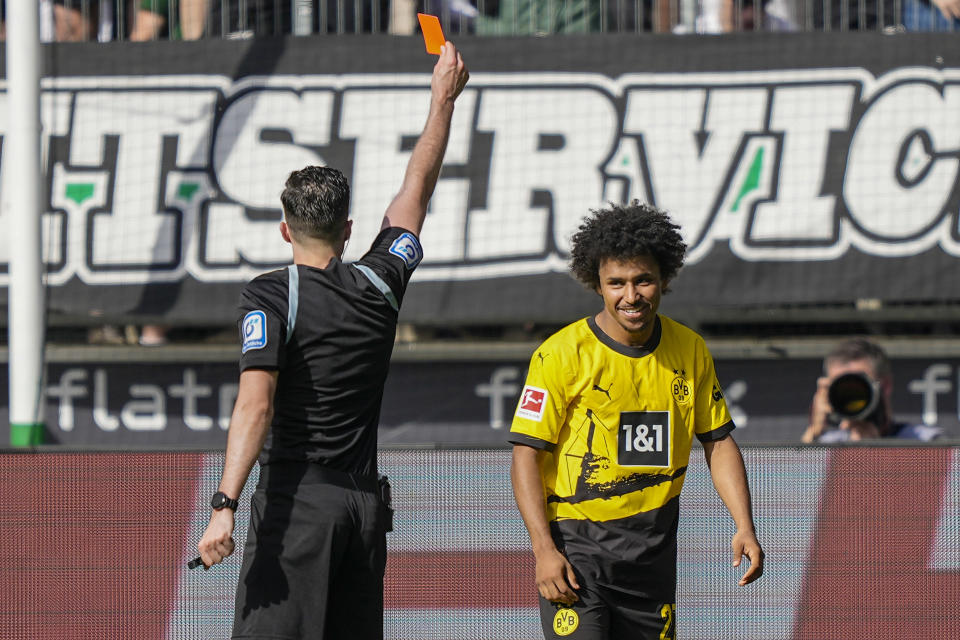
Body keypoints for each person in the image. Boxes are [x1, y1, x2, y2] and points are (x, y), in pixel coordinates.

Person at [196, 42, 469, 639]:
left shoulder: (272, 294)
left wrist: (224, 505)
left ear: (283, 228)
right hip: (363, 512)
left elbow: (256, 404)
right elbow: (416, 192)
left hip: (298, 508)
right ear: (349, 229)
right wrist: (442, 101)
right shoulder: (382, 282)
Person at [509, 203, 764, 640]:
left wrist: (744, 524)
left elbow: (718, 443)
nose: (631, 296)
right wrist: (543, 550)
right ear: (598, 285)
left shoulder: (691, 350)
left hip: (652, 560)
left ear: (663, 278)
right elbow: (526, 454)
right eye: (617, 283)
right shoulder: (561, 354)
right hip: (578, 554)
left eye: (643, 280)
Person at [801, 337, 942, 443]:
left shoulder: (926, 442)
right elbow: (792, 480)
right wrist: (814, 431)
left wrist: (876, 450)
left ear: (885, 385)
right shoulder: (825, 446)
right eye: (843, 388)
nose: (853, 396)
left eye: (860, 385)